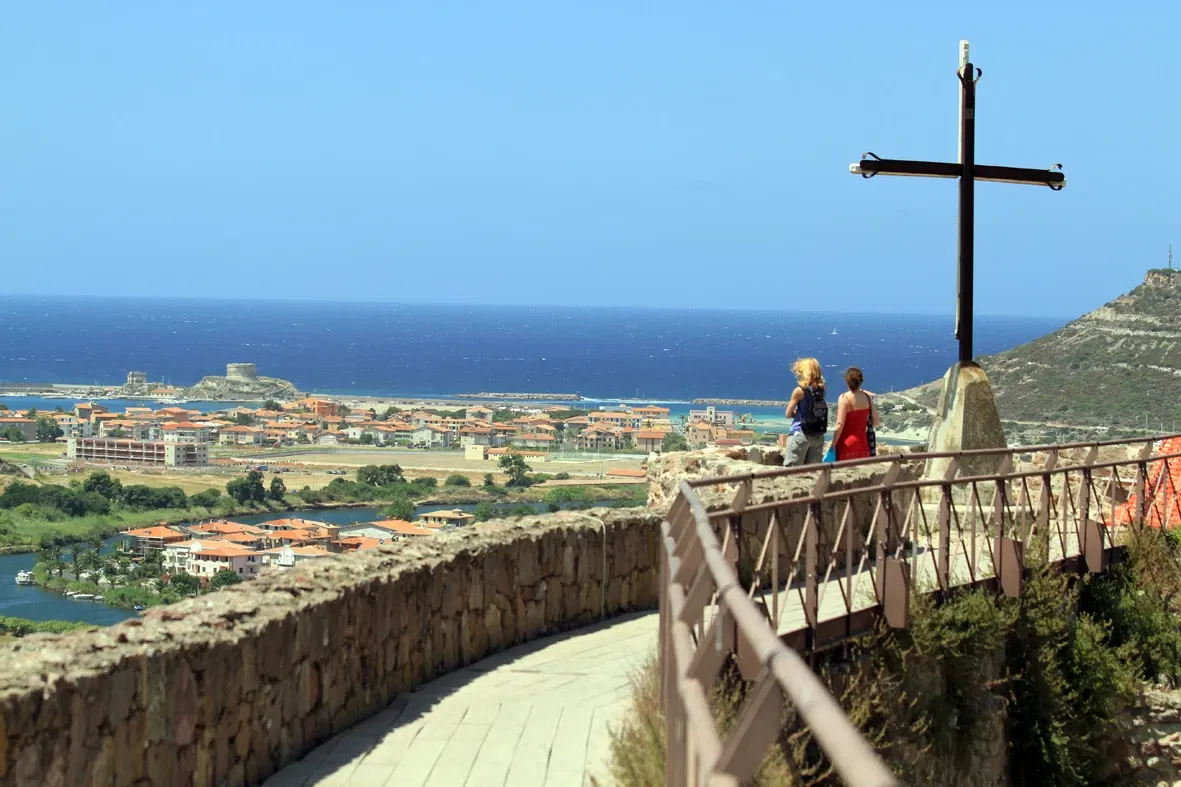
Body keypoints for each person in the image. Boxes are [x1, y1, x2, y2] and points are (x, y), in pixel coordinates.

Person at [784, 357, 828, 466]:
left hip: (800, 433)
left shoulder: (799, 391)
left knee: (793, 470)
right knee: (812, 472)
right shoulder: (822, 389)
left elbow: (788, 414)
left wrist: (798, 415)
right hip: (818, 435)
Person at [830, 366, 880, 461]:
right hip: (863, 444)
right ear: (861, 381)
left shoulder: (844, 398)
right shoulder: (867, 397)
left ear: (847, 381)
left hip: (846, 445)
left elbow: (839, 424)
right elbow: (876, 422)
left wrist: (833, 444)